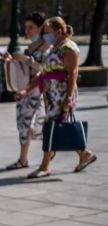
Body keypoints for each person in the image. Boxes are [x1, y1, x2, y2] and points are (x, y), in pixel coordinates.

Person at [18, 16, 97, 178]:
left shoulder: (69, 47)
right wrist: (26, 90)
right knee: (58, 126)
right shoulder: (53, 48)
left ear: (58, 31)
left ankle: (45, 165)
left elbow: (73, 72)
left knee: (50, 126)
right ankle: (84, 154)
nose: (45, 36)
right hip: (51, 95)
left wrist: (68, 96)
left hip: (62, 94)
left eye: (47, 32)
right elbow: (43, 73)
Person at [3, 13, 49, 170]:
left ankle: (78, 151)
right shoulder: (29, 48)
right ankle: (24, 159)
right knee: (25, 125)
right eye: (26, 27)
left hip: (37, 92)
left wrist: (25, 60)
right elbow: (25, 71)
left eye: (31, 27)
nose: (27, 31)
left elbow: (42, 71)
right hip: (26, 93)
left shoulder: (46, 47)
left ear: (41, 28)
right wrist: (11, 61)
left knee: (37, 127)